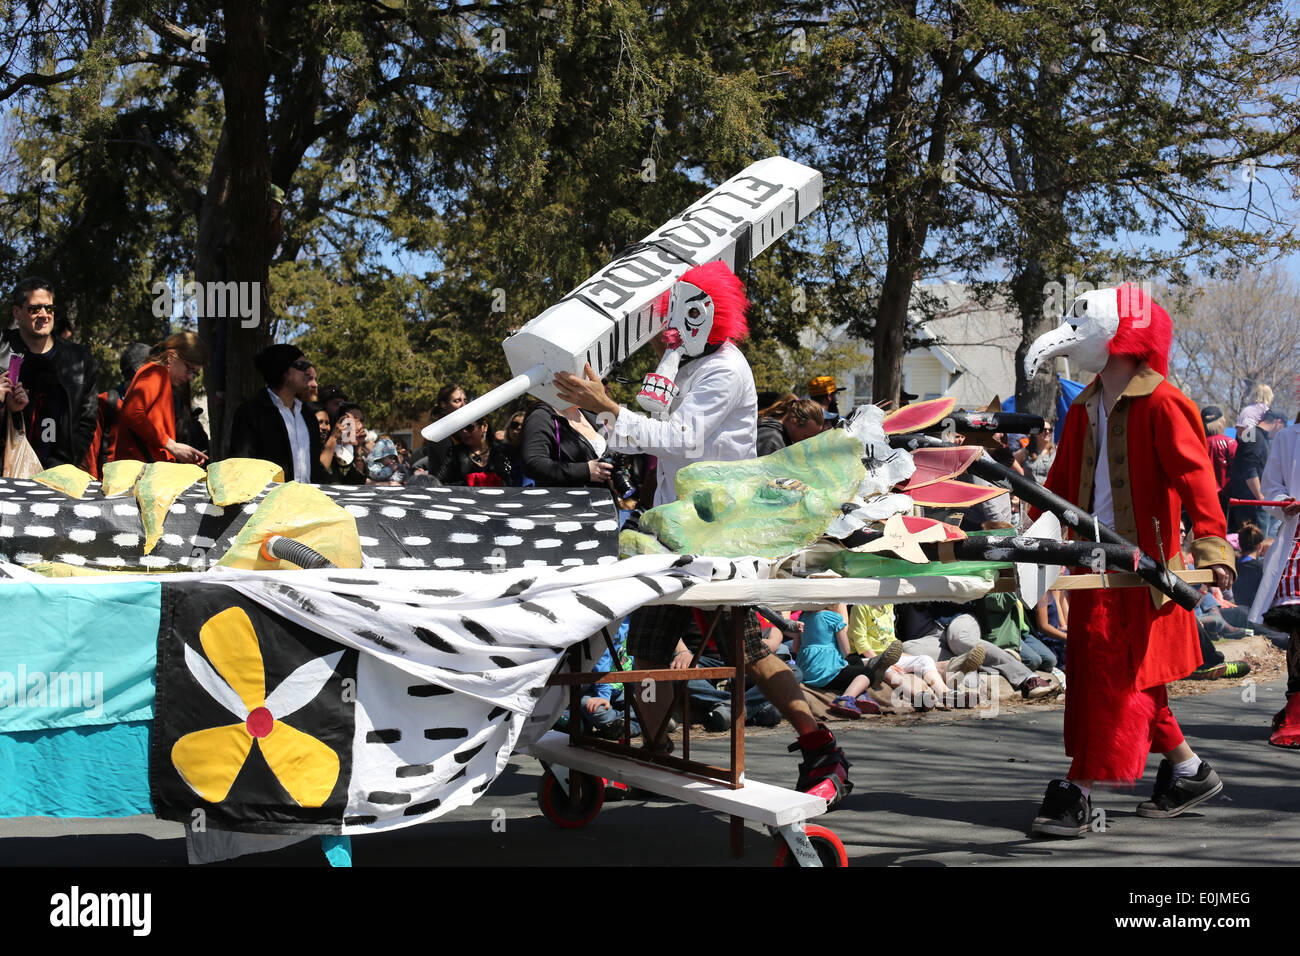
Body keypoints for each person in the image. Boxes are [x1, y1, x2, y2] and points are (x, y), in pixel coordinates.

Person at [554, 261, 857, 808]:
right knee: (645, 647)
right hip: (672, 531)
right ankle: (655, 753)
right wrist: (599, 415)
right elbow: (651, 438)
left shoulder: (723, 368)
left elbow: (684, 438)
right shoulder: (687, 364)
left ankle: (821, 746)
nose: (667, 328)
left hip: (719, 533)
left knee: (742, 650)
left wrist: (609, 408)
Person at [1023, 284, 1234, 837]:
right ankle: (1188, 770)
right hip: (1091, 568)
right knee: (1122, 679)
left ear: (1120, 332)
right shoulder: (1084, 405)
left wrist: (1214, 549)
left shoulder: (1165, 401)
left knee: (1116, 681)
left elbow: (1197, 480)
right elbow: (1060, 487)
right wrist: (1032, 540)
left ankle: (1081, 790)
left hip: (1148, 575)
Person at [0, 277, 99, 469]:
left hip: (59, 471)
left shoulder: (80, 360)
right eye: (34, 309)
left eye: (49, 308)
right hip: (8, 471)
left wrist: (70, 462)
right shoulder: (2, 352)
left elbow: (87, 419)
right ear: (17, 312)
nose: (44, 315)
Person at [1245, 419, 1300, 747]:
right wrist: (1286, 502)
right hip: (1297, 541)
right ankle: (1296, 709)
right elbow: (1272, 490)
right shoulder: (1287, 438)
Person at [228, 344, 327, 483]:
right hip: (268, 502)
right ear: (283, 370)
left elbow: (315, 466)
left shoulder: (309, 416)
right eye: (302, 366)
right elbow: (242, 465)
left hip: (308, 501)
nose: (310, 372)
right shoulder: (251, 413)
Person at [110, 332, 210, 465]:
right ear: (171, 356)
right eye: (189, 368)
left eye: (195, 373)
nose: (190, 377)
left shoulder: (163, 377)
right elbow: (132, 412)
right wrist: (172, 446)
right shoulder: (156, 372)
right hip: (138, 473)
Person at [1226, 409, 1287, 533]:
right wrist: (1261, 498)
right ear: (1278, 422)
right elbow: (1249, 468)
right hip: (1252, 504)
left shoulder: (1258, 436)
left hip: (1254, 503)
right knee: (1257, 546)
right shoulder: (1252, 434)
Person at [433, 415, 513, 486]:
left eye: (469, 427)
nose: (464, 432)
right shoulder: (455, 452)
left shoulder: (501, 451)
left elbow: (511, 481)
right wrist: (466, 483)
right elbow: (440, 483)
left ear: (484, 426)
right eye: (461, 428)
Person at [756, 396, 824, 456]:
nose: (808, 442)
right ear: (794, 421)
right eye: (806, 436)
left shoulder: (784, 436)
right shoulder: (771, 440)